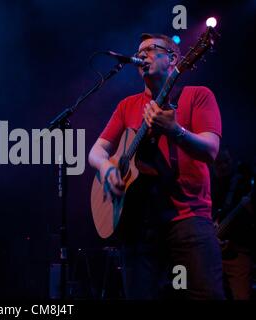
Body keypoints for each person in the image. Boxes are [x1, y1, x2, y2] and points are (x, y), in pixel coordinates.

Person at [88, 33, 224, 299]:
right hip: (138, 225)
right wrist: (107, 169)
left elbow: (211, 150)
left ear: (173, 58)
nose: (142, 56)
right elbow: (96, 151)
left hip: (188, 220)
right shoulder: (127, 105)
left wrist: (175, 131)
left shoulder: (197, 96)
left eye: (150, 50)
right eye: (139, 52)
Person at [211, 149, 255, 300]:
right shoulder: (208, 185)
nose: (223, 166)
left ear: (233, 161)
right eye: (219, 163)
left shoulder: (242, 182)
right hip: (211, 253)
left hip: (238, 252)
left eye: (226, 162)